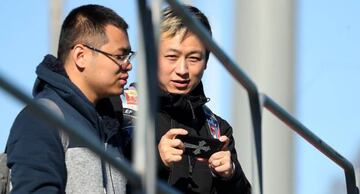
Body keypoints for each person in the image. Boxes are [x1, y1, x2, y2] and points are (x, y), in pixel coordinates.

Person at [6, 4, 134, 194]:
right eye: (120, 56)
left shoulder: (111, 127)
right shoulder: (42, 119)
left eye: (129, 56)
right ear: (81, 56)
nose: (128, 65)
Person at [156, 5, 251, 193]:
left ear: (206, 62)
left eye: (193, 58)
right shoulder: (123, 112)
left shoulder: (217, 128)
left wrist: (231, 175)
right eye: (172, 57)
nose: (182, 70)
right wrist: (155, 161)